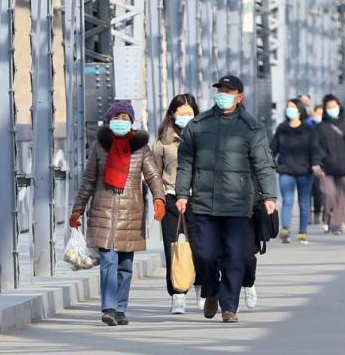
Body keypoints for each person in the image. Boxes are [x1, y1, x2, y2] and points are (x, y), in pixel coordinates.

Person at [175, 75, 277, 324]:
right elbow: (185, 162)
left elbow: (264, 164)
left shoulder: (251, 128)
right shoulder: (198, 125)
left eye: (229, 91)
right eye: (220, 90)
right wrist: (181, 193)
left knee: (235, 256)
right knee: (205, 255)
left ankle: (229, 306)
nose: (223, 95)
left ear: (240, 97)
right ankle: (211, 291)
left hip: (238, 203)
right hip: (204, 202)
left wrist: (269, 195)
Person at [70, 101, 166, 326]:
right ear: (109, 120)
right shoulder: (98, 147)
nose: (121, 122)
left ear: (131, 122)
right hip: (103, 211)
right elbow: (88, 180)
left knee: (125, 264)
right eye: (117, 118)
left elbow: (153, 176)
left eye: (125, 119)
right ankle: (109, 308)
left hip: (130, 214)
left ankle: (121, 308)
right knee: (108, 261)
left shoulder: (141, 148)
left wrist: (159, 199)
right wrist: (78, 208)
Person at [153, 93, 202, 314]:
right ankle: (177, 295)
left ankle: (203, 290)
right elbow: (154, 172)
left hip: (199, 199)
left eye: (189, 113)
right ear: (172, 114)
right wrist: (159, 197)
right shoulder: (163, 141)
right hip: (172, 199)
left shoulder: (205, 136)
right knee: (173, 247)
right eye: (180, 112)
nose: (184, 116)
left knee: (202, 247)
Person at [270, 98, 323, 245]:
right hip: (286, 169)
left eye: (292, 107)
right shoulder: (282, 128)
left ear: (300, 110)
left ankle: (302, 232)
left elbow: (314, 149)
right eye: (288, 107)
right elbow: (273, 147)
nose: (289, 110)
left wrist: (316, 163)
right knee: (287, 200)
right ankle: (285, 230)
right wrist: (268, 162)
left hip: (305, 170)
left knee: (304, 202)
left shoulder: (309, 129)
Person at [316, 95, 345, 235]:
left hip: (343, 166)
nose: (332, 109)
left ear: (339, 107)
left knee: (341, 196)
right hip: (326, 167)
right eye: (329, 107)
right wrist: (319, 162)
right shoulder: (320, 127)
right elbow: (316, 146)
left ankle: (336, 224)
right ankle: (328, 218)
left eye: (334, 107)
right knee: (329, 195)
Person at [310, 104, 325, 225]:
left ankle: (317, 214)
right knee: (307, 191)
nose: (319, 116)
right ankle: (308, 215)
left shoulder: (324, 127)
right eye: (318, 113)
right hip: (306, 163)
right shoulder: (307, 125)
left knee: (318, 191)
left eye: (322, 113)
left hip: (321, 163)